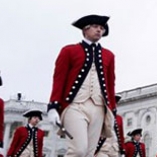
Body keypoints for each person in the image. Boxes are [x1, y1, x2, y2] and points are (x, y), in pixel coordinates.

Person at [47, 15, 117, 157]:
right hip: (75, 105)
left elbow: (110, 84)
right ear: (85, 29)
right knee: (78, 150)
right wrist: (53, 107)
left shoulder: (108, 55)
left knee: (89, 153)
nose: (99, 30)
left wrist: (112, 109)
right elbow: (59, 79)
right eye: (96, 27)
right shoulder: (69, 51)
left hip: (98, 107)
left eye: (102, 28)